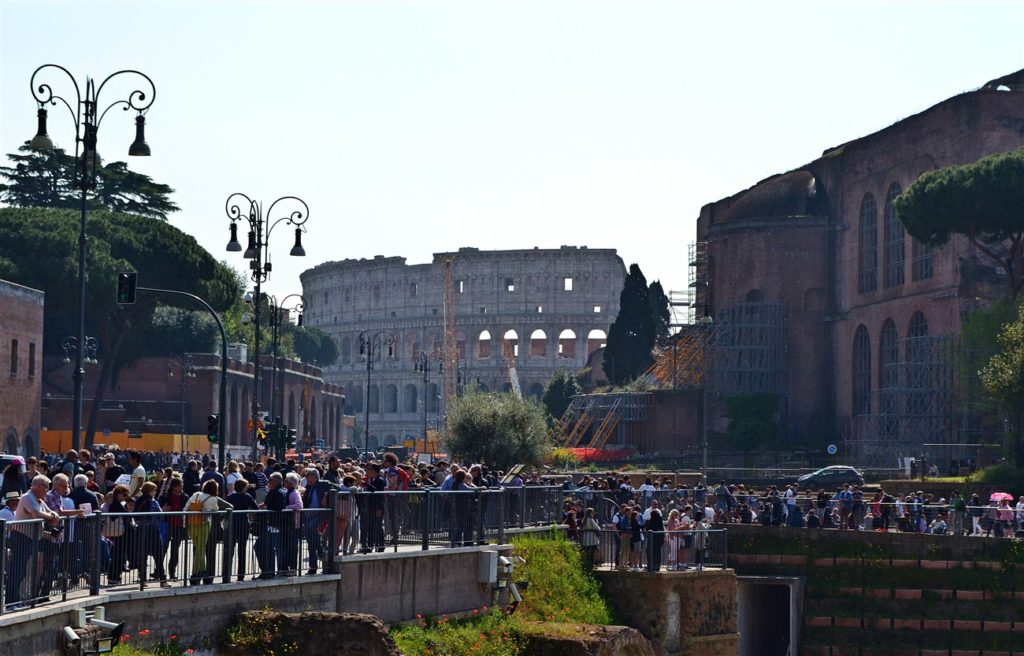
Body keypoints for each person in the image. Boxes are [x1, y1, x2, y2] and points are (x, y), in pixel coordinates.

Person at [186, 480, 232, 585]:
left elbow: (187, 507)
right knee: (210, 553)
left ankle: (195, 576)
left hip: (195, 525)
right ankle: (208, 576)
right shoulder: (214, 499)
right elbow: (229, 506)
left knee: (198, 551)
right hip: (210, 528)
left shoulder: (196, 495)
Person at [133, 481, 169, 587]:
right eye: (154, 490)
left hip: (154, 529)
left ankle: (162, 579)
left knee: (158, 554)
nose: (155, 492)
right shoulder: (143, 500)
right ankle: (143, 579)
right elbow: (137, 514)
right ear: (149, 490)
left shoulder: (152, 500)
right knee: (143, 554)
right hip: (145, 529)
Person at [226, 479, 260, 581]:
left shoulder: (230, 497)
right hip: (243, 525)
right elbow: (256, 508)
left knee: (230, 551)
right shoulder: (247, 497)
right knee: (242, 551)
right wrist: (253, 517)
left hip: (232, 524)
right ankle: (241, 575)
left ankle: (226, 574)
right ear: (243, 487)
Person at [159, 477, 188, 581]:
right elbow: (159, 508)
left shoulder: (185, 497)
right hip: (167, 525)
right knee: (163, 548)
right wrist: (163, 509)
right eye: (180, 486)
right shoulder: (166, 497)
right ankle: (159, 570)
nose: (182, 488)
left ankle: (172, 573)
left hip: (179, 526)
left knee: (175, 550)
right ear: (175, 487)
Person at [104, 485, 132, 585]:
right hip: (118, 533)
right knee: (117, 555)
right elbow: (119, 516)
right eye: (124, 495)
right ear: (119, 494)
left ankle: (114, 576)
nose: (125, 497)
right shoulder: (116, 504)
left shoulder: (117, 504)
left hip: (119, 533)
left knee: (118, 555)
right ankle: (114, 577)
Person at [579, 507, 601, 571]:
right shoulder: (591, 519)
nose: (593, 513)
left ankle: (588, 564)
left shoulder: (584, 520)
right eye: (593, 512)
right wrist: (599, 528)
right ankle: (592, 564)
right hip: (592, 538)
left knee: (587, 552)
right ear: (590, 513)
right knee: (594, 551)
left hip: (586, 538)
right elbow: (597, 527)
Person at [645, 506, 665, 572]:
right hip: (659, 538)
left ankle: (652, 565)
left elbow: (647, 528)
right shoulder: (660, 520)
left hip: (652, 539)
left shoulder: (651, 520)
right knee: (658, 552)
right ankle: (657, 566)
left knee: (651, 552)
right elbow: (662, 529)